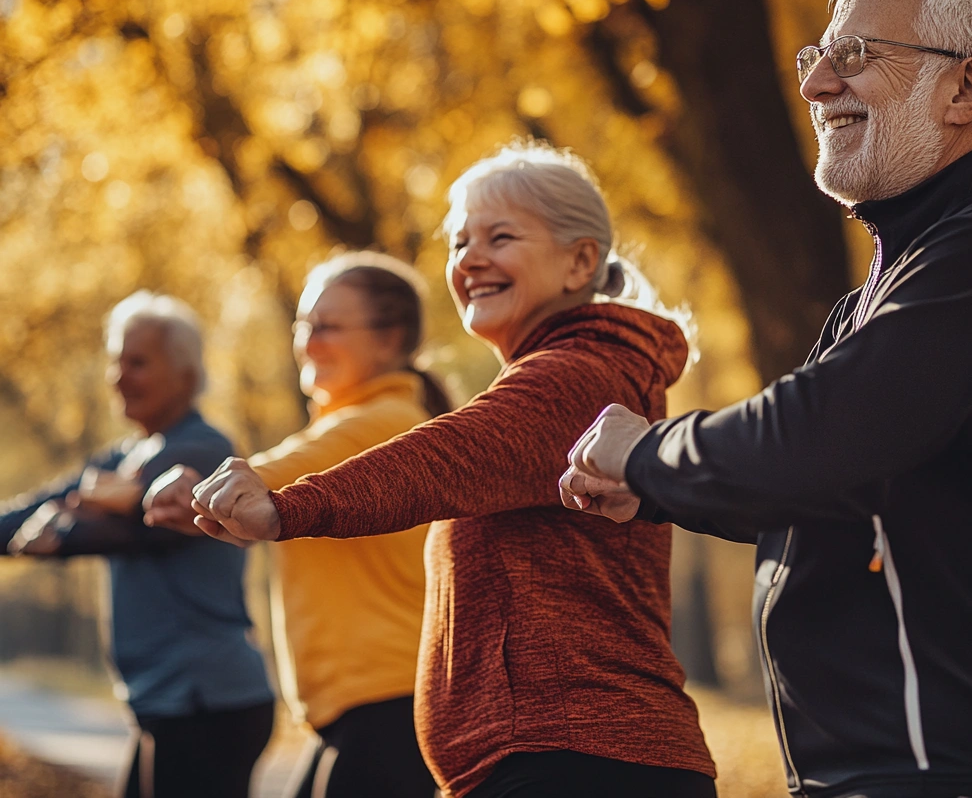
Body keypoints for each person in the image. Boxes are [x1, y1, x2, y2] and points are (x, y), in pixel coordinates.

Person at [560, 0, 972, 798]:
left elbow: (812, 442)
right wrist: (654, 485)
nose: (814, 85)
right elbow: (829, 488)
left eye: (854, 55)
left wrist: (647, 452)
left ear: (966, 87)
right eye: (816, 56)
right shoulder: (898, 279)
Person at [180, 143, 718, 798]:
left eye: (500, 237)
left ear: (579, 261)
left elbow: (442, 458)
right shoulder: (572, 371)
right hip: (562, 760)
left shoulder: (577, 374)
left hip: (577, 760)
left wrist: (286, 506)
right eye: (459, 242)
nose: (469, 260)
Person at [145, 253, 447, 798]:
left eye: (327, 326)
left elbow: (269, 476)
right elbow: (257, 506)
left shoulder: (388, 423)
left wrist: (194, 489)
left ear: (388, 338)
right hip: (361, 708)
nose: (307, 342)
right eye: (303, 325)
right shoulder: (347, 423)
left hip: (390, 701)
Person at [0, 291, 274, 798]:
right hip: (165, 704)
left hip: (207, 702)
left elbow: (149, 525)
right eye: (115, 361)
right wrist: (63, 516)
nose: (119, 376)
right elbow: (33, 509)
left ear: (186, 375)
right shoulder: (123, 455)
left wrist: (64, 533)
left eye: (138, 362)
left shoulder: (203, 448)